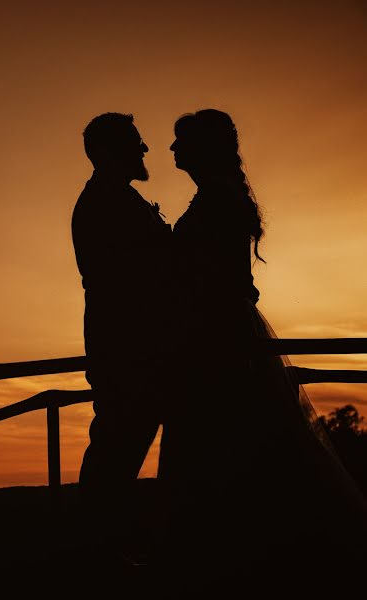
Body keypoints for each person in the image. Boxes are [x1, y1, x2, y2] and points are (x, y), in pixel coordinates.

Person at [159, 108, 367, 593]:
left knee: (227, 439)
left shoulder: (216, 201)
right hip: (217, 333)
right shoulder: (216, 197)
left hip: (217, 340)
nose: (171, 150)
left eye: (179, 141)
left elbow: (215, 279)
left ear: (201, 148)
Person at [70, 112, 175, 560]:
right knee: (119, 443)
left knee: (121, 441)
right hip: (127, 347)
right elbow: (136, 278)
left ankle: (100, 544)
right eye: (136, 141)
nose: (146, 149)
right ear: (110, 152)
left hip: (135, 345)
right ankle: (95, 549)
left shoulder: (117, 199)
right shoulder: (104, 204)